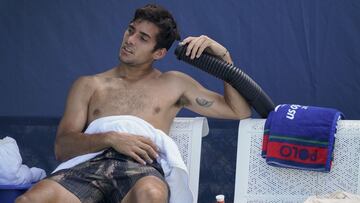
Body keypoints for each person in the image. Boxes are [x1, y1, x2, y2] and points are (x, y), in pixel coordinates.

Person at [16, 4, 251, 203]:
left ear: (159, 53)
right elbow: (62, 147)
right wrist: (112, 138)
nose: (130, 40)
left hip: (139, 167)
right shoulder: (89, 85)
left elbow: (238, 111)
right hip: (88, 166)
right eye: (130, 30)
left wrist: (223, 58)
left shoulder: (174, 84)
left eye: (142, 38)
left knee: (151, 194)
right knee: (29, 200)